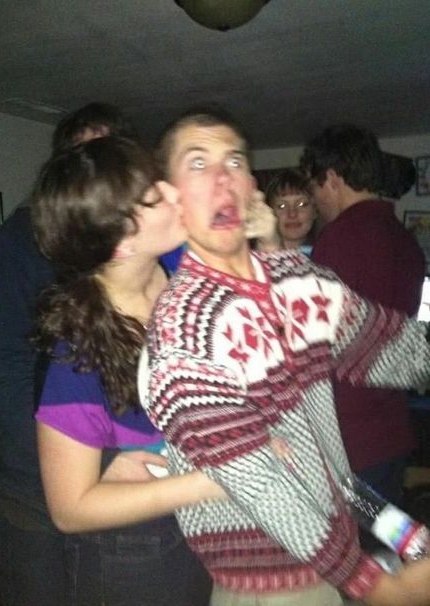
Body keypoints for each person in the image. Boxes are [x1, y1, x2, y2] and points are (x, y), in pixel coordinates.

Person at [139, 107, 430, 606]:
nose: (222, 177)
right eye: (198, 164)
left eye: (233, 160)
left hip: (337, 545)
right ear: (172, 199)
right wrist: (378, 586)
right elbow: (259, 481)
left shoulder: (300, 283)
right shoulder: (182, 322)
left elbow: (394, 348)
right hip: (268, 581)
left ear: (252, 184)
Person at [0, 102, 144, 606]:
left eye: (105, 155)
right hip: (32, 482)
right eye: (82, 154)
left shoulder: (125, 244)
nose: (93, 169)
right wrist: (74, 452)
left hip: (110, 473)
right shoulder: (22, 239)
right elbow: (1, 364)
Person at [32, 136, 223, 605]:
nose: (174, 192)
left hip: (201, 532)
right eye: (156, 195)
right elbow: (70, 509)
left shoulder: (182, 270)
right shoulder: (77, 350)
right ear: (120, 243)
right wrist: (210, 482)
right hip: (134, 556)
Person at [300, 124, 426, 505]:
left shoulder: (338, 239)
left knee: (350, 557)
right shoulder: (407, 242)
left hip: (348, 437)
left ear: (333, 179)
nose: (316, 201)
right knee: (383, 549)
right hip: (392, 427)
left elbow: (313, 343)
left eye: (314, 189)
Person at [264, 168, 317, 254]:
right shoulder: (252, 261)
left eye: (301, 204)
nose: (292, 214)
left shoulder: (330, 255)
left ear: (315, 210)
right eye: (282, 206)